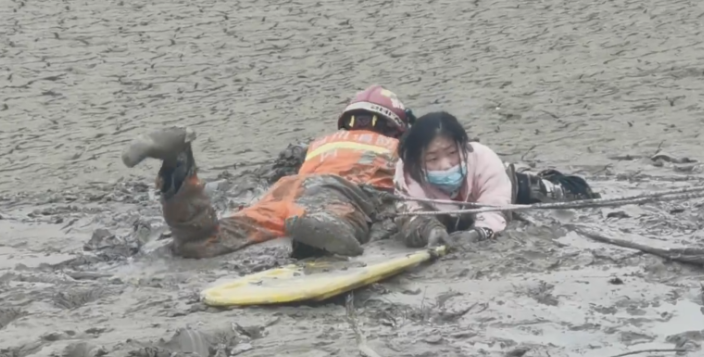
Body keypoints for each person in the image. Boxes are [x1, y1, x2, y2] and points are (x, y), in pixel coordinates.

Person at [121, 85, 414, 259]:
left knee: (209, 238)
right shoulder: (400, 146)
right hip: (337, 191)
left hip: (288, 188)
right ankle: (312, 225)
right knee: (332, 215)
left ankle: (179, 169)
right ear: (398, 127)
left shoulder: (321, 143)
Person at [394, 111, 598, 249]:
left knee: (567, 193)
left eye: (452, 152)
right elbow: (410, 214)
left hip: (507, 188)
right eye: (432, 158)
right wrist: (430, 230)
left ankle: (541, 176)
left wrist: (477, 234)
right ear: (416, 160)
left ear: (464, 147)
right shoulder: (406, 174)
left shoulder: (482, 158)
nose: (445, 164)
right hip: (450, 213)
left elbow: (495, 208)